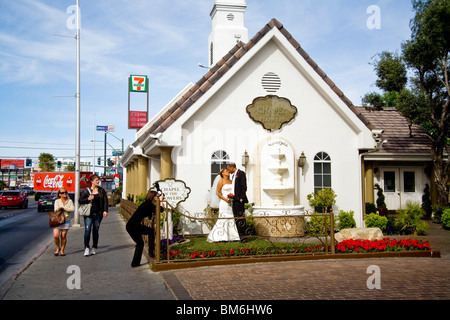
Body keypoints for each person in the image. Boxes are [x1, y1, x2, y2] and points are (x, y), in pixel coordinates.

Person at [126, 190, 164, 267]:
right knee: (148, 234)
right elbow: (160, 210)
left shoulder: (146, 204)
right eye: (156, 196)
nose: (157, 197)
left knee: (140, 243)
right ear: (153, 197)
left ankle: (135, 263)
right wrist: (160, 201)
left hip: (131, 226)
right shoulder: (148, 205)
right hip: (133, 226)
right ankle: (150, 252)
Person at [207, 168, 240, 243]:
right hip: (224, 202)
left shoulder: (231, 181)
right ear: (222, 173)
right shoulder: (221, 181)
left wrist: (232, 198)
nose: (228, 172)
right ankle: (220, 236)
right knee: (223, 218)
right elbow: (218, 193)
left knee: (231, 217)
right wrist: (226, 200)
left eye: (228, 171)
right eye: (226, 171)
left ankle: (233, 236)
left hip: (231, 201)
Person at [79, 174, 108, 256]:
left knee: (96, 230)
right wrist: (88, 199)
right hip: (88, 214)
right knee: (87, 230)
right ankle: (86, 248)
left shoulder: (101, 190)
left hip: (98, 213)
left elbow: (105, 201)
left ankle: (94, 247)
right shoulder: (86, 191)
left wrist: (105, 210)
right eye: (96, 180)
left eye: (98, 180)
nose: (98, 181)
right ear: (92, 181)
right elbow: (80, 201)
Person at [227, 162, 249, 242]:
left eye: (228, 168)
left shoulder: (241, 173)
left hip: (239, 200)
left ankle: (244, 237)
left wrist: (241, 199)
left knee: (241, 218)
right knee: (236, 218)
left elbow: (244, 187)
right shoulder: (233, 176)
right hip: (234, 200)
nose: (228, 171)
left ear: (232, 167)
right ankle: (240, 236)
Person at [53, 187, 74, 256]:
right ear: (59, 194)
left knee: (63, 236)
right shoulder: (57, 201)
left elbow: (72, 209)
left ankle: (62, 250)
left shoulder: (69, 201)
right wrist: (62, 209)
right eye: (62, 193)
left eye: (65, 192)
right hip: (58, 220)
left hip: (66, 220)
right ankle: (57, 248)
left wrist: (64, 208)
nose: (64, 194)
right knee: (56, 235)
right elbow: (56, 209)